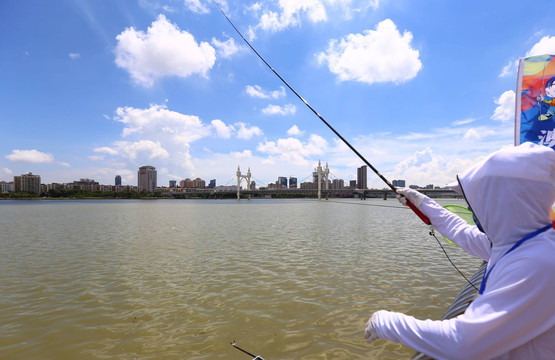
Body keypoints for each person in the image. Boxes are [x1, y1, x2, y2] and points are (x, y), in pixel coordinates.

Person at [364, 142, 555, 359]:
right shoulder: (516, 244)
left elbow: (462, 344)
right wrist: (422, 202)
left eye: (477, 202)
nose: (473, 210)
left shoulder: (540, 262)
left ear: (500, 201)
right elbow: (461, 232)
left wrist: (387, 322)